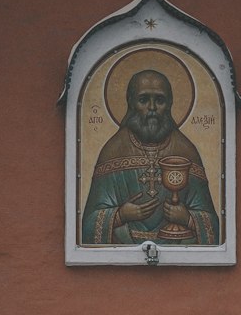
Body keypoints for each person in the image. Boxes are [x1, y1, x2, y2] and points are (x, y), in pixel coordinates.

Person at [81, 69, 220, 245]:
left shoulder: (186, 151)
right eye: (144, 100)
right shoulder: (113, 150)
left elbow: (213, 227)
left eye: (160, 100)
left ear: (170, 104)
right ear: (131, 103)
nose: (152, 108)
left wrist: (188, 219)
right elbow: (88, 225)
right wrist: (120, 216)